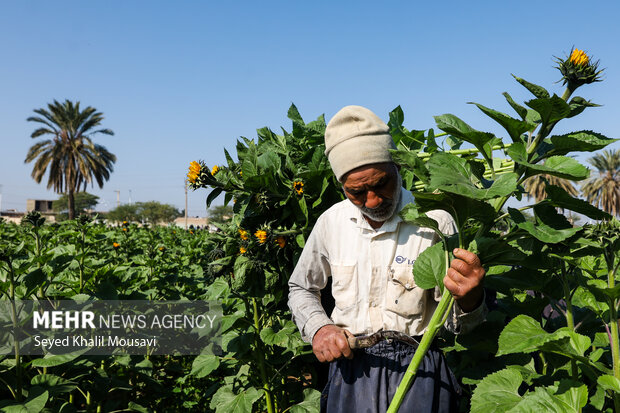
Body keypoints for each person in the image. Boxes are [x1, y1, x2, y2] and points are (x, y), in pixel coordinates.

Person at [288, 105, 487, 413]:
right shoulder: (332, 222)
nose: (372, 200)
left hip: (419, 370)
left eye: (381, 183)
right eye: (356, 192)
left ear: (397, 167)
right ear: (342, 186)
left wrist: (470, 299)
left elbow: (457, 326)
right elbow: (301, 287)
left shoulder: (434, 221)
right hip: (352, 371)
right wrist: (319, 328)